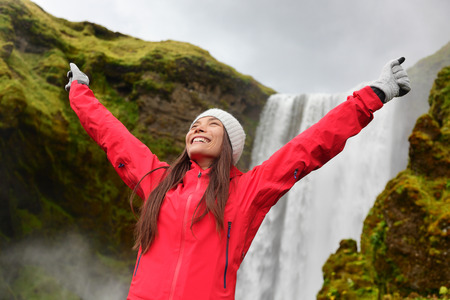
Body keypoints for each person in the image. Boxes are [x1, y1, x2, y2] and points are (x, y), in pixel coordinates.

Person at [65, 57, 410, 300]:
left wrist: (374, 94)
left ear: (230, 144)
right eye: (194, 125)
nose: (198, 127)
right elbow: (114, 138)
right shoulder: (159, 182)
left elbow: (310, 146)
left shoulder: (247, 192)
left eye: (212, 124)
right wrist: (80, 92)